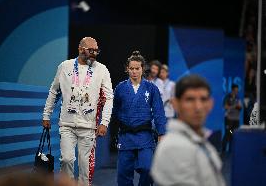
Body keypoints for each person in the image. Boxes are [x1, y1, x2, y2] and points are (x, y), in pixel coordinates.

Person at [42, 37, 113, 185]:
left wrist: (104, 122)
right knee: (67, 159)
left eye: (96, 51)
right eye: (91, 50)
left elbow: (109, 97)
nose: (94, 53)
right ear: (81, 49)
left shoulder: (102, 69)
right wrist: (46, 115)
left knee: (84, 166)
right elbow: (54, 91)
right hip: (67, 124)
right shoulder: (65, 66)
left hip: (89, 126)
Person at [151, 74, 226, 186]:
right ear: (175, 104)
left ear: (210, 104)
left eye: (203, 99)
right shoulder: (174, 147)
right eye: (190, 99)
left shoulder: (201, 141)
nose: (198, 107)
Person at [113, 51, 166, 186]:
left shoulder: (151, 88)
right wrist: (114, 131)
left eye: (137, 68)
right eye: (131, 69)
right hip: (126, 136)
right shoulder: (120, 88)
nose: (134, 72)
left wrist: (161, 133)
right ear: (127, 69)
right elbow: (114, 111)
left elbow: (159, 111)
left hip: (145, 135)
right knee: (123, 175)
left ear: (143, 69)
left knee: (148, 169)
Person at [222, 84, 242, 152]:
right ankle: (223, 151)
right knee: (228, 134)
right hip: (229, 119)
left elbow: (240, 108)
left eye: (237, 91)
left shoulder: (238, 98)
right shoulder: (227, 97)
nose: (236, 92)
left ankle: (231, 151)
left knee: (233, 135)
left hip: (236, 120)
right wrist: (234, 106)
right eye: (235, 90)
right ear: (232, 90)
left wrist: (239, 106)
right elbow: (225, 107)